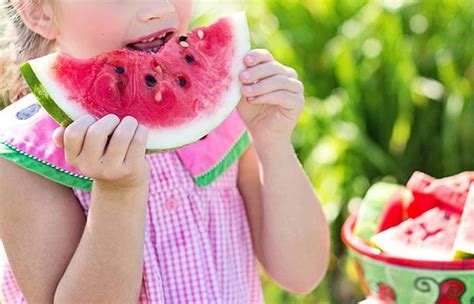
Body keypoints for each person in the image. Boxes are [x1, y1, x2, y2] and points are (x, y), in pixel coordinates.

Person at [0, 0, 330, 303]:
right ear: (39, 11)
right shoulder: (25, 155)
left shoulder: (225, 110)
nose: (157, 8)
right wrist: (117, 194)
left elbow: (302, 273)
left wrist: (273, 143)